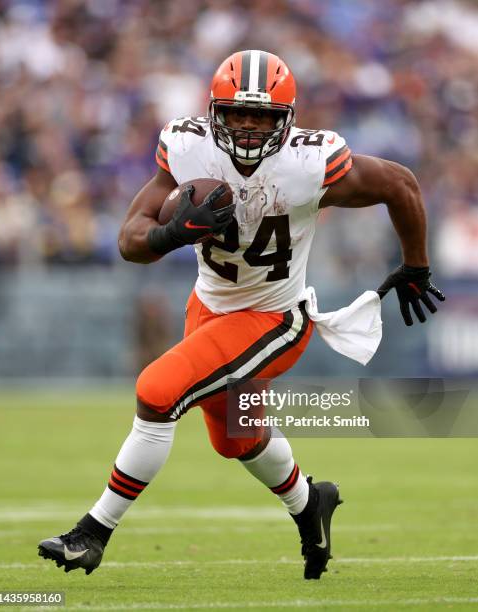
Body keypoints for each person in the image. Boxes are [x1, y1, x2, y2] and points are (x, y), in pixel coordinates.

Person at [38, 50, 445, 580]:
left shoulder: (308, 162)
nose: (249, 127)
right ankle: (310, 504)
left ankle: (91, 533)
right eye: (237, 114)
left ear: (287, 120)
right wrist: (170, 235)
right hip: (207, 308)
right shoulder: (188, 150)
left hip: (274, 318)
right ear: (215, 113)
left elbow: (401, 184)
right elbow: (129, 239)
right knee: (236, 436)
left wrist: (416, 265)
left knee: (157, 391)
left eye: (263, 116)